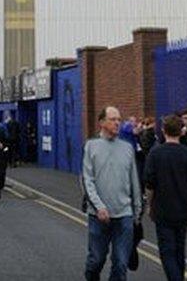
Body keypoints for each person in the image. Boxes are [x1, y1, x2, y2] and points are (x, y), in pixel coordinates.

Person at [82, 106, 141, 281]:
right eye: (113, 119)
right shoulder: (91, 146)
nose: (117, 123)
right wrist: (99, 207)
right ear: (101, 122)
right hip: (98, 216)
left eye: (119, 119)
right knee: (96, 260)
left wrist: (136, 211)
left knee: (121, 264)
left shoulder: (127, 148)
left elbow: (134, 181)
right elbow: (87, 180)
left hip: (124, 215)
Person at [143, 115, 187, 281]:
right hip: (184, 208)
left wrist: (149, 204)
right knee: (179, 249)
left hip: (163, 208)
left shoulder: (155, 153)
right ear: (181, 132)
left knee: (167, 251)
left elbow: (150, 184)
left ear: (163, 131)